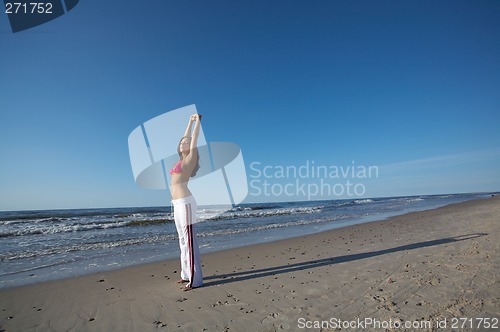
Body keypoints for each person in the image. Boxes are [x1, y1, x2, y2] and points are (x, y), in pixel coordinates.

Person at [170, 113, 203, 291]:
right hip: (176, 204)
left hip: (186, 203)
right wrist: (188, 123)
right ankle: (185, 274)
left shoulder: (190, 159)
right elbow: (185, 137)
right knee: (182, 240)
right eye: (181, 142)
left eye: (186, 142)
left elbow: (193, 137)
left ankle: (195, 280)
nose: (183, 142)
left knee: (189, 241)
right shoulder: (180, 160)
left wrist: (197, 121)